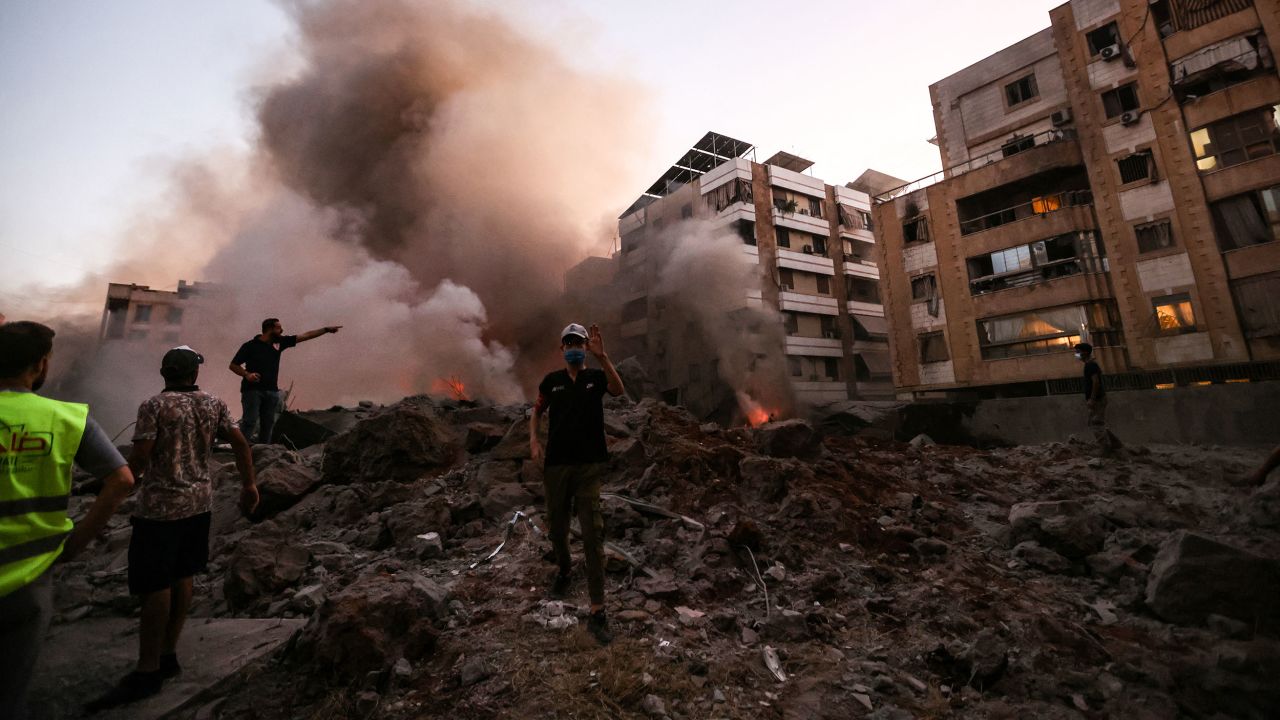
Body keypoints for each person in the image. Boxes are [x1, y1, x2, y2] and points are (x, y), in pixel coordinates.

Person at [89, 346, 258, 710]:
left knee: (154, 584)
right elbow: (242, 444)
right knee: (184, 574)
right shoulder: (214, 404)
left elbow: (140, 457)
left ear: (164, 372)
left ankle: (147, 671)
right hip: (199, 505)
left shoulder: (154, 406)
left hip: (160, 509)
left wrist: (113, 488)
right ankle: (168, 655)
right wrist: (249, 485)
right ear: (193, 374)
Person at [0, 321, 135, 720]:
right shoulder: (65, 418)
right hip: (29, 579)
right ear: (41, 365)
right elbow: (122, 480)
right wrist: (75, 543)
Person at [529, 323, 625, 645]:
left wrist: (604, 357)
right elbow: (537, 411)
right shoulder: (552, 382)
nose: (573, 346)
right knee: (557, 527)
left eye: (579, 342)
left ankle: (598, 612)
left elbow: (619, 389)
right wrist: (533, 439)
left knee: (592, 534)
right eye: (568, 342)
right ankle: (565, 570)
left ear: (585, 348)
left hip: (587, 467)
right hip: (556, 466)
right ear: (562, 348)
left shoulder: (595, 379)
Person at [228, 318, 341, 443]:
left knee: (268, 424)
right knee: (250, 422)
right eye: (278, 328)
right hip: (252, 390)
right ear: (269, 329)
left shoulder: (279, 343)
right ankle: (240, 452)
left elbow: (305, 336)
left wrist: (325, 330)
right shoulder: (250, 346)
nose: (282, 330)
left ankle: (262, 452)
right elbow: (233, 365)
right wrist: (247, 374)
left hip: (272, 391)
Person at [1075, 342, 1119, 453]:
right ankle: (1113, 444)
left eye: (1078, 352)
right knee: (1097, 422)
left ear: (1085, 353)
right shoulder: (1089, 365)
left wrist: (1092, 399)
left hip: (1098, 399)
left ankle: (1105, 448)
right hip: (1097, 399)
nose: (1076, 355)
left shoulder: (1091, 365)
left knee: (1096, 423)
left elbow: (1096, 382)